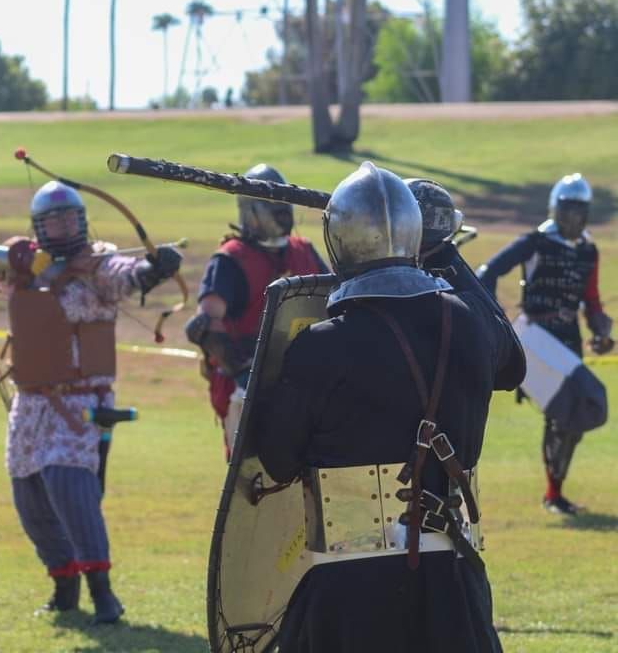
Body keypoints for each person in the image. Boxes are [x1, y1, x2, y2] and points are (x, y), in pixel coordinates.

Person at [254, 163, 524, 651]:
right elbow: (512, 365)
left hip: (351, 591)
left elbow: (277, 460)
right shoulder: (470, 326)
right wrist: (444, 251)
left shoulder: (320, 346)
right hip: (452, 581)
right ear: (417, 236)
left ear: (337, 242)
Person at [0, 180, 181, 624]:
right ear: (39, 225)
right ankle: (64, 587)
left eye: (70, 216)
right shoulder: (24, 267)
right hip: (32, 402)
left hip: (81, 402)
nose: (63, 224)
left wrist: (155, 270)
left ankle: (103, 594)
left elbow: (125, 276)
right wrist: (15, 255)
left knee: (70, 485)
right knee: (30, 495)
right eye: (53, 218)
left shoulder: (99, 262)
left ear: (82, 219)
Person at [477, 173, 612, 516]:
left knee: (574, 417)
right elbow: (487, 272)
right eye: (567, 210)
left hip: (569, 340)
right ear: (556, 208)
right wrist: (498, 322)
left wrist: (600, 331)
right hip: (537, 340)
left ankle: (555, 493)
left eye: (579, 211)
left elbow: (591, 299)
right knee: (562, 417)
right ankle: (553, 496)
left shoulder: (588, 249)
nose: (572, 218)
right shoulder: (534, 242)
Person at [185, 165, 326, 459]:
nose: (283, 213)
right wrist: (243, 372)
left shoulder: (304, 251)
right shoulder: (231, 260)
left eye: (284, 203)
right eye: (274, 205)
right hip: (248, 383)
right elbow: (206, 326)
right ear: (251, 211)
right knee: (255, 484)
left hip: (306, 382)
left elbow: (334, 302)